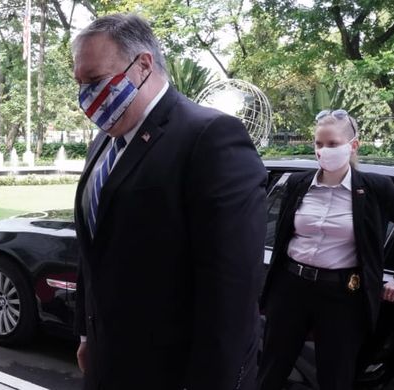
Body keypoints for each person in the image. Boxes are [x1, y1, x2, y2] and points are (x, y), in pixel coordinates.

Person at [72, 14, 267, 390]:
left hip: (173, 372)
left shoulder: (210, 137)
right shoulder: (103, 143)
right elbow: (93, 251)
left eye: (95, 81)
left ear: (143, 65)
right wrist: (85, 334)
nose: (86, 97)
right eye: (80, 84)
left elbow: (231, 289)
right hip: (107, 359)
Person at [258, 109, 394, 390]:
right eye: (319, 144)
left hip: (342, 294)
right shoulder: (298, 184)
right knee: (272, 368)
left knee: (336, 374)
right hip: (290, 287)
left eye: (332, 144)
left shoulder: (375, 188)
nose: (323, 151)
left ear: (353, 145)